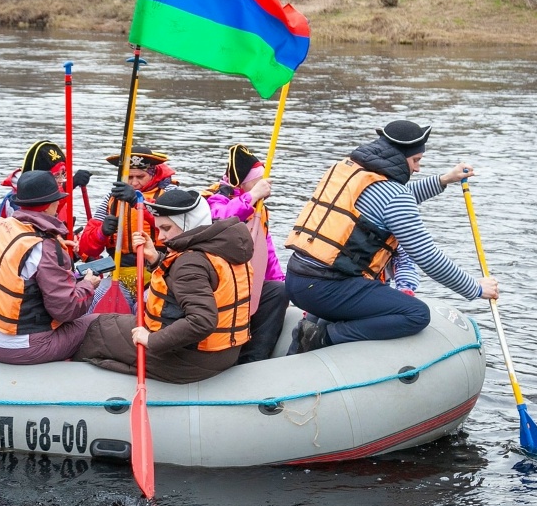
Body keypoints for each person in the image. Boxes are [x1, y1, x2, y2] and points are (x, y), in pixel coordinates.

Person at [283, 120, 499, 351]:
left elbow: (390, 201)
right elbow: (427, 256)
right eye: (416, 161)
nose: (417, 169)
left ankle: (305, 336)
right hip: (326, 289)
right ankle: (323, 338)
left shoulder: (351, 170)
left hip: (297, 280)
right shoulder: (393, 195)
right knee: (416, 314)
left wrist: (443, 180)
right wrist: (475, 288)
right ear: (399, 156)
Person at [76, 190, 253, 384]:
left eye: (167, 228)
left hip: (190, 360)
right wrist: (155, 258)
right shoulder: (222, 246)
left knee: (95, 328)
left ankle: (73, 381)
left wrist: (151, 340)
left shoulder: (191, 262)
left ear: (188, 223)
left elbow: (201, 321)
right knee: (113, 322)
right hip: (224, 353)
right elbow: (194, 281)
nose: (161, 237)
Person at [0, 170, 99, 364]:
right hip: (20, 348)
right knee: (100, 322)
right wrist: (88, 284)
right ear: (47, 207)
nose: (59, 204)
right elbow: (66, 310)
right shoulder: (46, 246)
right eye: (57, 200)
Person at [201, 144, 288, 364]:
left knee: (279, 291)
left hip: (248, 280)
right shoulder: (215, 198)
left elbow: (266, 251)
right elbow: (219, 219)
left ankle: (255, 358)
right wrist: (250, 198)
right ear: (245, 182)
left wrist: (280, 281)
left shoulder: (259, 207)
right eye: (259, 179)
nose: (266, 183)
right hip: (221, 280)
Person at [77, 145, 176, 288]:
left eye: (140, 177)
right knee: (99, 301)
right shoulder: (111, 199)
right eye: (129, 177)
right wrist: (102, 232)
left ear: (152, 173)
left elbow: (178, 229)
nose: (134, 183)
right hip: (119, 274)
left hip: (160, 271)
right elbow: (86, 248)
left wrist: (138, 202)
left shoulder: (169, 193)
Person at [0, 141, 91, 235]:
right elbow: (34, 228)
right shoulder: (17, 199)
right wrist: (68, 186)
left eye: (62, 174)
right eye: (55, 176)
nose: (61, 180)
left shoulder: (56, 197)